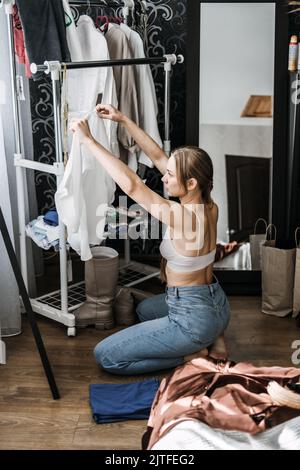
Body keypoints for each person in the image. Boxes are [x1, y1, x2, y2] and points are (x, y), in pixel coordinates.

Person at [70, 104, 230, 375]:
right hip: (216, 305)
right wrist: (123, 120)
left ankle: (192, 355)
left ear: (190, 183)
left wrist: (89, 141)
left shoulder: (182, 217)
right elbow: (156, 155)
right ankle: (214, 337)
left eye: (170, 175)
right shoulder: (209, 205)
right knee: (145, 309)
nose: (164, 178)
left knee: (106, 357)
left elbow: (132, 186)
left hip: (191, 318)